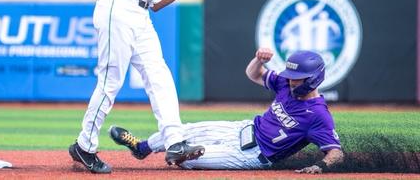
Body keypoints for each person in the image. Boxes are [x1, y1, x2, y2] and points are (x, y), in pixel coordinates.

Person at [68, 0, 253, 174]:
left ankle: (175, 141)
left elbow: (156, 4)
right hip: (119, 9)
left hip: (139, 12)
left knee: (159, 76)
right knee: (110, 82)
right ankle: (84, 147)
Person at [108, 48, 344, 173]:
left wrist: (318, 167)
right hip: (243, 128)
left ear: (313, 79)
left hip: (253, 156)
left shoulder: (318, 115)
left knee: (184, 160)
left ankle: (187, 156)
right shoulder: (284, 83)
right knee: (180, 133)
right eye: (291, 77)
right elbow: (254, 74)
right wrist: (258, 60)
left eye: (297, 78)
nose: (291, 81)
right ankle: (141, 147)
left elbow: (336, 153)